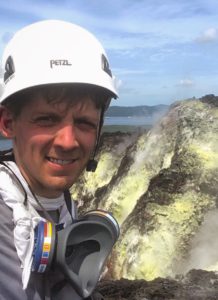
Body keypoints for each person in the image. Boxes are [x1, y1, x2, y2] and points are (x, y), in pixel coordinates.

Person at [0, 20, 118, 300]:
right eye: (47, 119)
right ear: (7, 122)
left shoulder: (59, 204)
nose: (67, 141)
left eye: (85, 122)